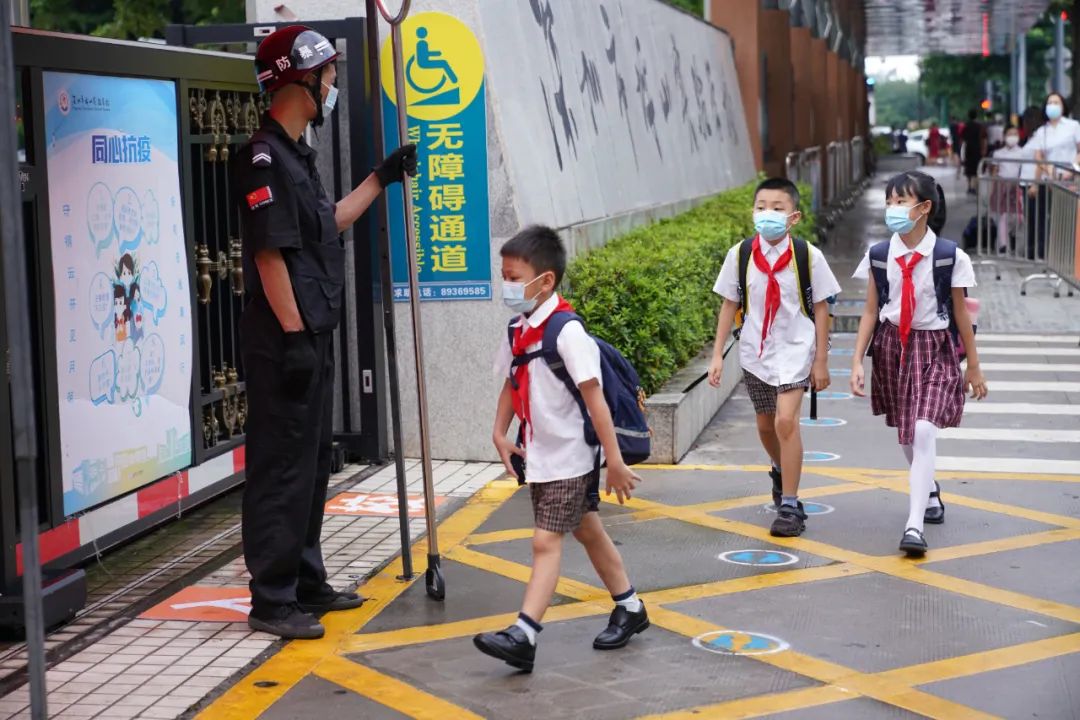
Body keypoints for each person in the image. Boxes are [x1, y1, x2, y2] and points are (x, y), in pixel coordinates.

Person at [232, 25, 417, 639]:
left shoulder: (297, 155)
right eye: (329, 78)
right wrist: (292, 336)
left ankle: (306, 580)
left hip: (311, 330)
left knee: (312, 465)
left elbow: (327, 222)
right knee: (282, 467)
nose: (333, 88)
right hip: (283, 338)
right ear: (301, 81)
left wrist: (380, 178)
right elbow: (269, 256)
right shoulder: (261, 158)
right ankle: (272, 598)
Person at [474, 226, 647, 673]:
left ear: (545, 280)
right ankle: (630, 606)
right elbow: (511, 384)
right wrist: (499, 433)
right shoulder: (517, 329)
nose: (507, 286)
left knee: (545, 541)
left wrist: (614, 461)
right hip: (541, 456)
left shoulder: (567, 332)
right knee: (587, 529)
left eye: (514, 278)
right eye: (504, 276)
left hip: (571, 455)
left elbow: (596, 400)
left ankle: (524, 634)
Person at [850, 171, 988, 557]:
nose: (893, 209)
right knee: (908, 434)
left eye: (901, 201)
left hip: (935, 347)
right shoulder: (880, 255)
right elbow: (870, 311)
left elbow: (961, 314)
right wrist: (856, 360)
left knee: (924, 429)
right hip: (892, 347)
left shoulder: (949, 256)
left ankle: (914, 526)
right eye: (889, 202)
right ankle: (928, 491)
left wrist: (973, 365)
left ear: (924, 207)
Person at [707, 178, 841, 537]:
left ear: (793, 216)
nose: (768, 213)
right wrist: (717, 355)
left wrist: (821, 361)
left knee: (785, 422)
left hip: (797, 350)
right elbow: (729, 304)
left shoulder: (807, 256)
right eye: (761, 207)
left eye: (777, 208)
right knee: (766, 427)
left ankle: (791, 505)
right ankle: (782, 471)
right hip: (756, 352)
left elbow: (822, 308)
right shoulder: (740, 255)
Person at [1027, 92, 1080, 260]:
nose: (1053, 106)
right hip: (1048, 180)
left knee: (1069, 217)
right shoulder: (1042, 131)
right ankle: (1048, 254)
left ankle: (1070, 254)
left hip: (1070, 178)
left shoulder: (1073, 126)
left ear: (1063, 106)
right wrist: (1046, 172)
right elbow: (1038, 157)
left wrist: (1071, 169)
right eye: (1050, 103)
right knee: (1049, 218)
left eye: (1056, 102)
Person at [989, 126, 1028, 253]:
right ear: (1004, 136)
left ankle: (1012, 237)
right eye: (1010, 134)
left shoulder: (1023, 152)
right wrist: (992, 190)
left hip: (1017, 187)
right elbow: (994, 171)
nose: (1012, 137)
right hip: (1002, 187)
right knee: (1003, 215)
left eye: (1015, 134)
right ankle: (1003, 245)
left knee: (1018, 216)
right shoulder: (998, 153)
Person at [961, 109, 987, 195]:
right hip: (977, 149)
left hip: (969, 149)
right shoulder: (980, 126)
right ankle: (976, 187)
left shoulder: (966, 126)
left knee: (969, 169)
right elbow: (984, 138)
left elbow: (963, 138)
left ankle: (969, 187)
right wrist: (983, 149)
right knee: (977, 169)